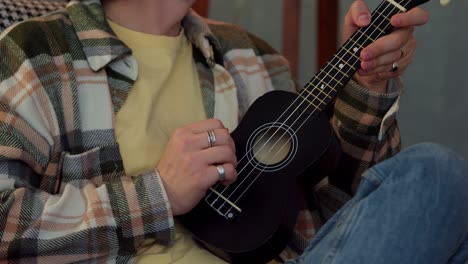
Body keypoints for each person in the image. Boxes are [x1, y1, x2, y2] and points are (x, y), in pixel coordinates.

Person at [0, 0, 466, 263]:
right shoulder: (38, 52)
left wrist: (367, 84)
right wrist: (157, 193)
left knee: (435, 177)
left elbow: (347, 215)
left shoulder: (254, 58)